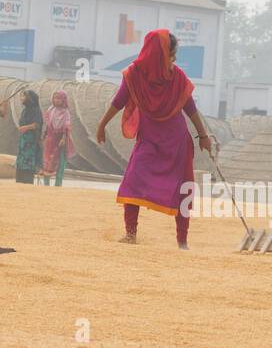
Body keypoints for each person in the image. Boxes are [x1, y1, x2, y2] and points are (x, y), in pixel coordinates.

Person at [96, 29, 213, 249]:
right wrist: (102, 125)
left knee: (183, 189)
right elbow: (119, 100)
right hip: (148, 141)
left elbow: (190, 108)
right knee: (133, 181)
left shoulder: (177, 77)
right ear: (158, 54)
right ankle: (131, 234)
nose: (175, 59)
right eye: (171, 54)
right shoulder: (134, 75)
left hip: (177, 143)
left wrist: (203, 136)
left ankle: (182, 241)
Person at [41, 88, 76, 186]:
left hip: (60, 141)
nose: (56, 100)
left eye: (59, 98)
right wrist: (44, 135)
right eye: (55, 98)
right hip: (50, 140)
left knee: (60, 162)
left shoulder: (66, 113)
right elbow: (48, 125)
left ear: (63, 100)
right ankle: (46, 183)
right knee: (48, 161)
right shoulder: (50, 109)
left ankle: (58, 183)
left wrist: (63, 138)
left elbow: (67, 127)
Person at [14, 88, 43, 184]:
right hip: (24, 140)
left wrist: (26, 127)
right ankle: (19, 181)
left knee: (28, 161)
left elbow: (37, 124)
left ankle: (27, 182)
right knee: (21, 161)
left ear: (30, 99)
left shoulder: (35, 110)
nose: (22, 98)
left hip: (31, 140)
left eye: (24, 96)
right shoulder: (25, 110)